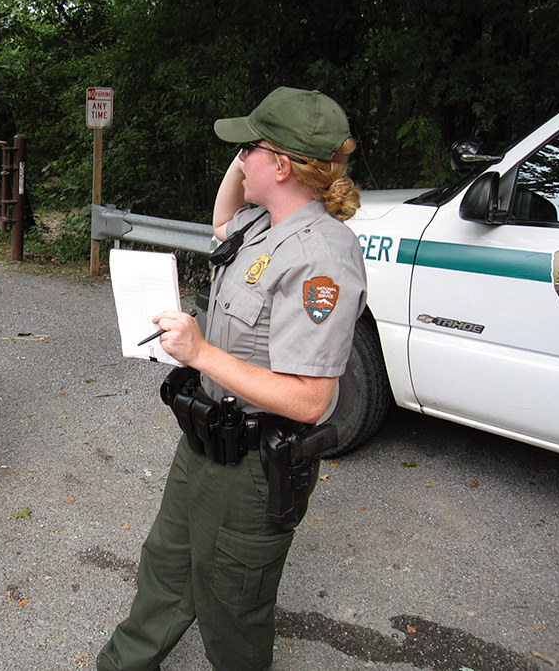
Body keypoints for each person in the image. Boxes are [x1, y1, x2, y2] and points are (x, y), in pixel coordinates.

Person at [97, 87, 368, 671]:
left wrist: (199, 354)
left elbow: (311, 400)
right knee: (165, 569)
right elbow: (222, 218)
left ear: (281, 165)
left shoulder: (322, 256)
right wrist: (253, 143)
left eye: (250, 150)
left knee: (231, 608)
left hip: (254, 465)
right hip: (203, 439)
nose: (239, 158)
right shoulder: (258, 224)